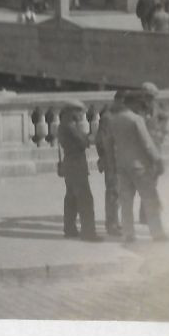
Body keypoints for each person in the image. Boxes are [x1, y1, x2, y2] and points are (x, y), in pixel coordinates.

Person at [111, 89, 168, 242]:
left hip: (122, 164)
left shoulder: (114, 119)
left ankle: (128, 234)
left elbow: (111, 143)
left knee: (126, 202)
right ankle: (157, 233)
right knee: (150, 199)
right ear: (134, 103)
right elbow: (147, 143)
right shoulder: (136, 119)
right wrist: (157, 160)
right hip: (139, 166)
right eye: (139, 103)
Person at [57, 102, 100, 240]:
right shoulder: (69, 126)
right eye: (79, 112)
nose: (82, 115)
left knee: (71, 198)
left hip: (70, 165)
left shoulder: (64, 126)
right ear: (71, 112)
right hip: (76, 165)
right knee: (85, 199)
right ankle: (88, 232)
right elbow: (83, 142)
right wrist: (88, 138)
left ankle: (69, 229)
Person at [94, 92, 125, 236]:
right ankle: (111, 224)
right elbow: (100, 140)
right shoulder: (108, 117)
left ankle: (115, 222)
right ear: (118, 100)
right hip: (111, 161)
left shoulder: (119, 116)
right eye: (124, 101)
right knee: (113, 193)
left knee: (118, 193)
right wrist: (104, 158)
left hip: (120, 160)